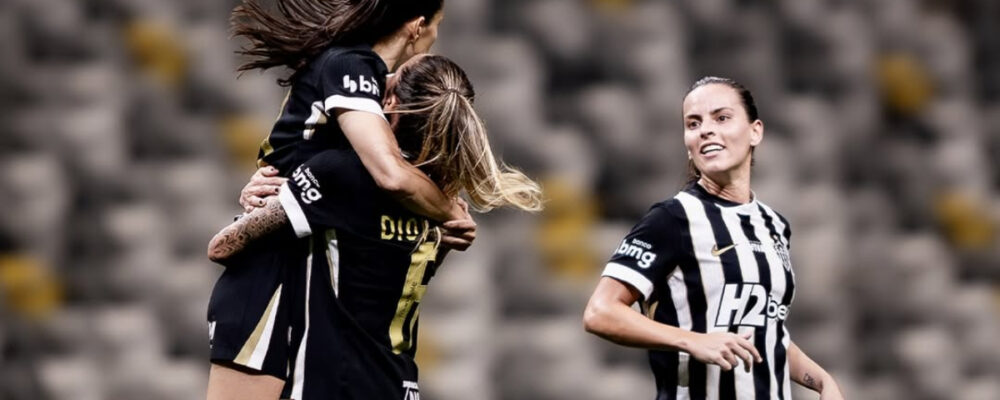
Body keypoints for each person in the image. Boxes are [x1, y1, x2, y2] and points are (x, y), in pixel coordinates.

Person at [208, 54, 542, 399]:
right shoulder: (440, 195)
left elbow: (222, 247)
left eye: (393, 76)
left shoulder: (341, 172)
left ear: (390, 101)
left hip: (336, 377)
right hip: (397, 381)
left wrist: (258, 202)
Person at [583, 77, 844, 400]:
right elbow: (600, 312)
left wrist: (820, 380)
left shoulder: (774, 225)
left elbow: (764, 332)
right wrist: (692, 340)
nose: (705, 129)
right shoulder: (672, 219)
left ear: (755, 131)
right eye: (693, 123)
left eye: (721, 118)